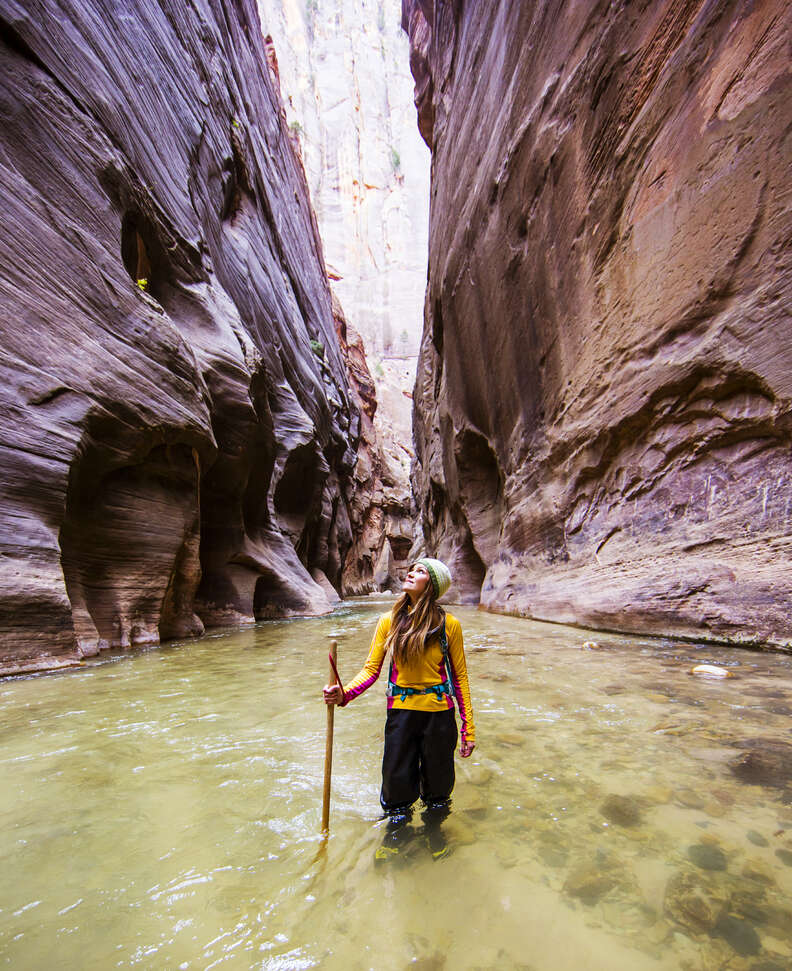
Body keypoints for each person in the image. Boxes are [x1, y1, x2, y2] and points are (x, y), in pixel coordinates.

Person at [323, 557, 476, 859]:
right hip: (401, 714)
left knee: (439, 784)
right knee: (396, 780)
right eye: (413, 568)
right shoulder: (389, 621)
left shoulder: (449, 625)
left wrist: (469, 727)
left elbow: (460, 679)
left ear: (431, 585)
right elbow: (371, 670)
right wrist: (344, 694)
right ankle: (397, 832)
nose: (411, 572)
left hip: (439, 716)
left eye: (421, 571)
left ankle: (433, 829)